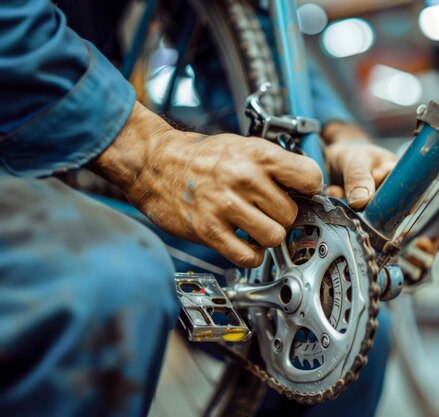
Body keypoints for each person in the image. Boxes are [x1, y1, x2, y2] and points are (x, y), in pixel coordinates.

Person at [0, 1, 401, 416]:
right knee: (112, 284)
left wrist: (336, 135)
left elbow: (230, 33)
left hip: (91, 163)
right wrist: (145, 149)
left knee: (336, 338)